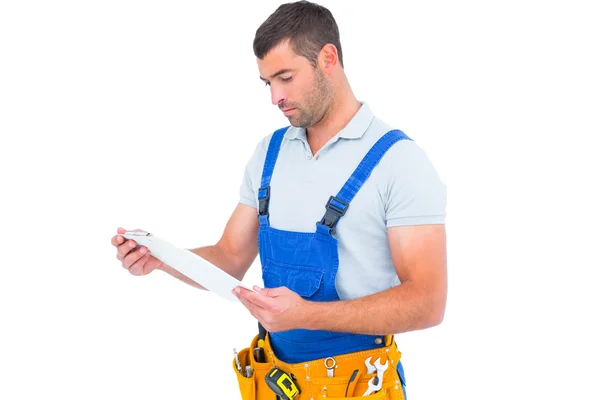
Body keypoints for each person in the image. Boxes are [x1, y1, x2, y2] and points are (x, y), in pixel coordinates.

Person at [111, 1, 447, 398]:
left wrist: (307, 315)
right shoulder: (268, 155)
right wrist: (162, 259)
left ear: (327, 58)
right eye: (267, 82)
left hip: (358, 385)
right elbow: (230, 257)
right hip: (275, 384)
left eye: (285, 77)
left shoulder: (399, 162)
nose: (275, 97)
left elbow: (428, 301)